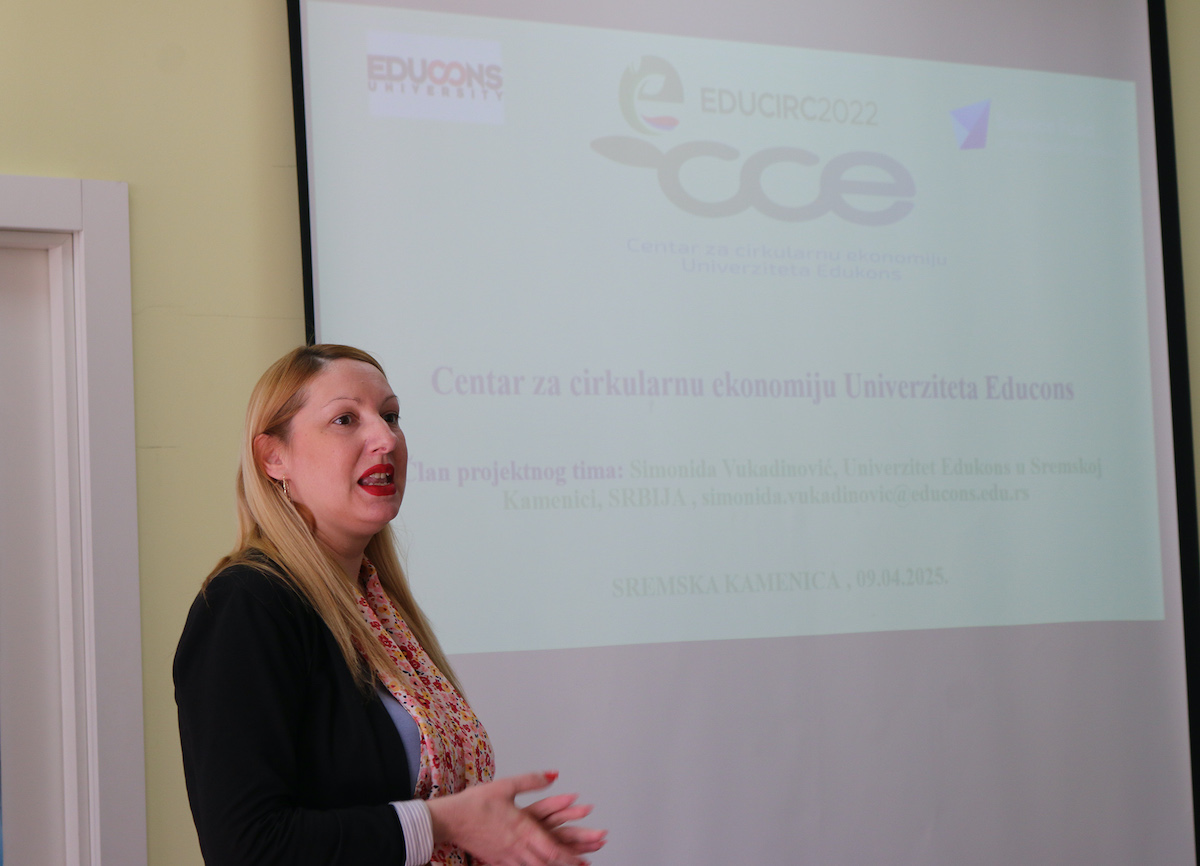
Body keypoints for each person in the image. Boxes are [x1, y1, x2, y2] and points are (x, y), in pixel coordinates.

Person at [174, 344, 606, 866]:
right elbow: (247, 848)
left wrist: (491, 840)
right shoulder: (247, 604)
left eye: (391, 416)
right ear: (273, 457)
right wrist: (446, 822)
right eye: (345, 419)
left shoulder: (378, 607)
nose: (385, 438)